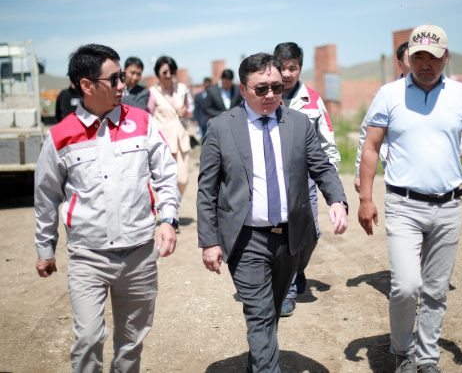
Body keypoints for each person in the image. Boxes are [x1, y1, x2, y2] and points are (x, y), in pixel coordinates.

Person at [357, 24, 462, 373]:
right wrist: (365, 198)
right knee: (406, 286)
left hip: (449, 206)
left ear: (446, 57)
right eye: (418, 56)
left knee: (435, 289)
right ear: (408, 58)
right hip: (403, 205)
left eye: (432, 57)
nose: (425, 64)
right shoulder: (389, 95)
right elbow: (371, 147)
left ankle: (427, 358)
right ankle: (403, 351)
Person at [197, 52, 348, 373]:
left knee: (273, 310)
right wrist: (209, 241)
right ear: (243, 90)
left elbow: (321, 167)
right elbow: (207, 189)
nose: (270, 95)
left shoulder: (299, 124)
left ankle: (259, 363)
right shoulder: (221, 128)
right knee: (260, 314)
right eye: (261, 88)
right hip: (246, 239)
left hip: (289, 239)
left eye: (276, 88)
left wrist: (337, 200)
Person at [34, 43, 180, 373]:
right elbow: (46, 197)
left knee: (131, 341)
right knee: (87, 338)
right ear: (87, 85)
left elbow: (166, 174)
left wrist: (168, 219)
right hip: (88, 257)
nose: (122, 84)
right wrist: (45, 249)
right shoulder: (60, 137)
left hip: (140, 254)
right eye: (114, 79)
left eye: (122, 76)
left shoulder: (142, 122)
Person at [273, 41, 341, 316]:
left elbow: (327, 141)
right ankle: (287, 290)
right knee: (286, 233)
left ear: (300, 68)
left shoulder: (312, 100)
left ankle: (298, 267)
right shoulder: (266, 96)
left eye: (293, 68)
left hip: (307, 179)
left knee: (310, 233)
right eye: (282, 67)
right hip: (274, 179)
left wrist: (332, 183)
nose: (287, 74)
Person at [354, 41, 462, 192]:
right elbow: (367, 137)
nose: (420, 65)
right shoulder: (387, 95)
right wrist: (359, 173)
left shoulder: (443, 92)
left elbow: (450, 122)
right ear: (400, 64)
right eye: (413, 59)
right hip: (400, 179)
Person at [148, 55, 193, 195]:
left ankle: (175, 204)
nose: (168, 75)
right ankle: (170, 207)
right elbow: (148, 116)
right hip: (164, 141)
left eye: (171, 71)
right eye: (164, 72)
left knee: (183, 180)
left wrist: (185, 112)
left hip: (182, 140)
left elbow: (189, 112)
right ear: (158, 73)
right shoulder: (152, 92)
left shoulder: (182, 89)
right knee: (167, 180)